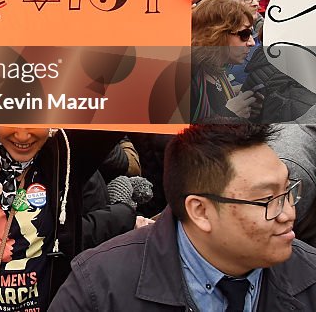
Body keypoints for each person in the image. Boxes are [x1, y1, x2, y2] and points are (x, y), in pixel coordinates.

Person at [51, 122, 316, 311]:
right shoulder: (100, 287)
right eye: (267, 200)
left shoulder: (310, 276)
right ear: (200, 211)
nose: (289, 213)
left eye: (288, 191)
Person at [191, 0, 262, 121]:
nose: (251, 42)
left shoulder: (216, 69)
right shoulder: (189, 78)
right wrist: (230, 114)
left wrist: (246, 107)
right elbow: (185, 136)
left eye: (251, 34)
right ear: (217, 34)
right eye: (245, 34)